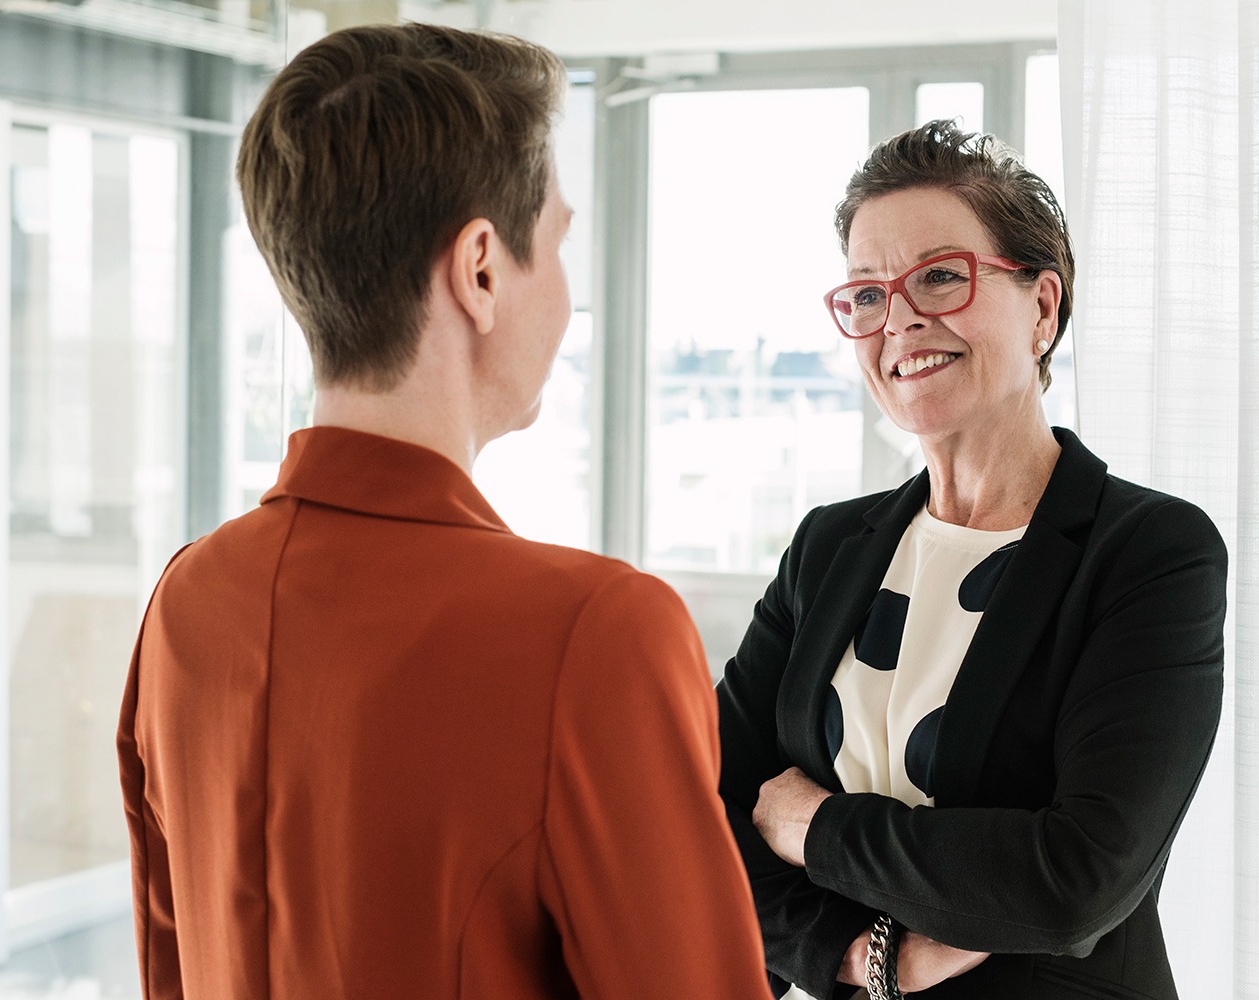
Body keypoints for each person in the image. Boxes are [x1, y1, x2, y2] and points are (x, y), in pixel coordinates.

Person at [116, 24, 770, 1000]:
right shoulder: (595, 631)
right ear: (478, 269)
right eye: (554, 241)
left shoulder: (188, 601)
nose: (563, 290)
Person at [719, 119, 1227, 1000]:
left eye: (942, 277)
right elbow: (709, 814)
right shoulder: (828, 545)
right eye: (867, 295)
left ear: (1042, 306)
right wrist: (864, 958)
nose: (901, 317)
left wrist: (818, 828)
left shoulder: (1149, 553)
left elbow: (1072, 883)